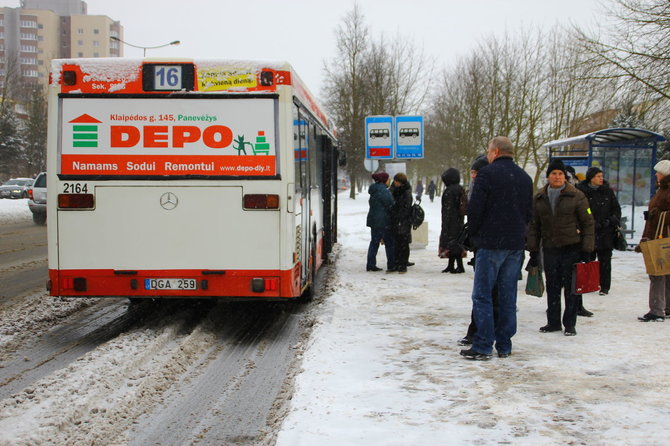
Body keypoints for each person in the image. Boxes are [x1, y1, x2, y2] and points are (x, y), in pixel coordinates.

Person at [460, 136, 533, 360]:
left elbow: (475, 210)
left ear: (495, 152)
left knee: (483, 295)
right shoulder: (525, 178)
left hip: (491, 243)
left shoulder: (487, 175)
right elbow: (529, 213)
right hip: (515, 244)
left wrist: (474, 234)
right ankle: (504, 344)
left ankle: (482, 344)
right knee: (507, 296)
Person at [527, 159, 594, 336]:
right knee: (552, 286)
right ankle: (553, 322)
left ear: (565, 177)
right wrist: (533, 249)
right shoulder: (540, 197)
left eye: (560, 174)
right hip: (550, 248)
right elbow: (534, 225)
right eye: (554, 174)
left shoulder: (577, 195)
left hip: (571, 247)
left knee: (571, 288)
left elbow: (588, 223)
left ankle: (570, 323)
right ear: (548, 176)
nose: (557, 177)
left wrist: (587, 249)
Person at [459, 155, 496, 347]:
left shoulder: (485, 187)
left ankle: (480, 333)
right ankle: (478, 330)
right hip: (482, 245)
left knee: (484, 293)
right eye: (472, 172)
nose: (473, 175)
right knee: (484, 293)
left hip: (489, 246)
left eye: (476, 172)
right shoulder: (475, 187)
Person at [576, 167, 622, 299]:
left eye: (601, 176)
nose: (601, 178)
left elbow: (616, 210)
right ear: (591, 178)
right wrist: (587, 223)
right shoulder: (581, 192)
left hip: (606, 232)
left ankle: (604, 286)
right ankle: (589, 283)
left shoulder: (607, 192)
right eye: (598, 176)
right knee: (588, 259)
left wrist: (609, 221)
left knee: (605, 261)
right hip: (588, 232)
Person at [635, 160, 670, 322]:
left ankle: (657, 310)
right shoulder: (662, 190)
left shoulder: (666, 191)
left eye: (658, 172)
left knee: (657, 274)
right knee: (666, 274)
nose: (656, 174)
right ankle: (666, 307)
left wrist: (657, 215)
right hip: (658, 237)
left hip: (661, 238)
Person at [366, 171, 395, 272]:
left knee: (374, 243)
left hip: (374, 220)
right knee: (389, 243)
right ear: (384, 180)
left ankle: (370, 264)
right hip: (384, 221)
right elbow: (391, 205)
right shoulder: (384, 191)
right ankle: (391, 265)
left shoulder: (374, 190)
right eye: (388, 179)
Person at [439, 168, 466, 273]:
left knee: (452, 242)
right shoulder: (459, 188)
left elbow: (448, 209)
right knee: (456, 242)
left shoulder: (449, 190)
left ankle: (458, 266)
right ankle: (453, 265)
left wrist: (446, 222)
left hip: (451, 220)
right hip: (458, 220)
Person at [391, 172, 413, 273]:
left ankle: (403, 264)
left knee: (403, 243)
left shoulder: (406, 192)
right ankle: (397, 263)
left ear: (400, 182)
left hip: (403, 221)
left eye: (395, 181)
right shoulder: (395, 189)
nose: (394, 183)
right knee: (397, 243)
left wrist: (400, 218)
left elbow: (406, 207)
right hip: (397, 220)